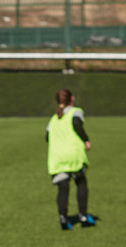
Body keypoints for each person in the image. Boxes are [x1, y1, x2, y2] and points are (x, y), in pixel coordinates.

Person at [46, 88, 95, 231]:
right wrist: (86, 140)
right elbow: (77, 124)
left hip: (57, 158)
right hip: (74, 155)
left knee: (63, 188)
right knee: (81, 182)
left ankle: (63, 218)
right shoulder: (76, 112)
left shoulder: (53, 119)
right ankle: (83, 215)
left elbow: (47, 137)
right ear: (71, 99)